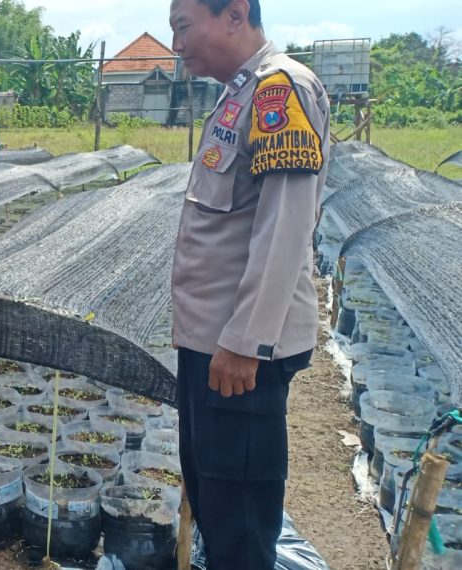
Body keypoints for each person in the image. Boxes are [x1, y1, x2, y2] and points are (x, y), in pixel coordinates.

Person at [168, 0, 330, 567]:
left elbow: (284, 227)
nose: (177, 45)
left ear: (235, 14)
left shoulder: (277, 90)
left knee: (238, 523)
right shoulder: (238, 93)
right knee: (215, 499)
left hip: (238, 355)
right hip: (212, 346)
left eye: (184, 27)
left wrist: (245, 342)